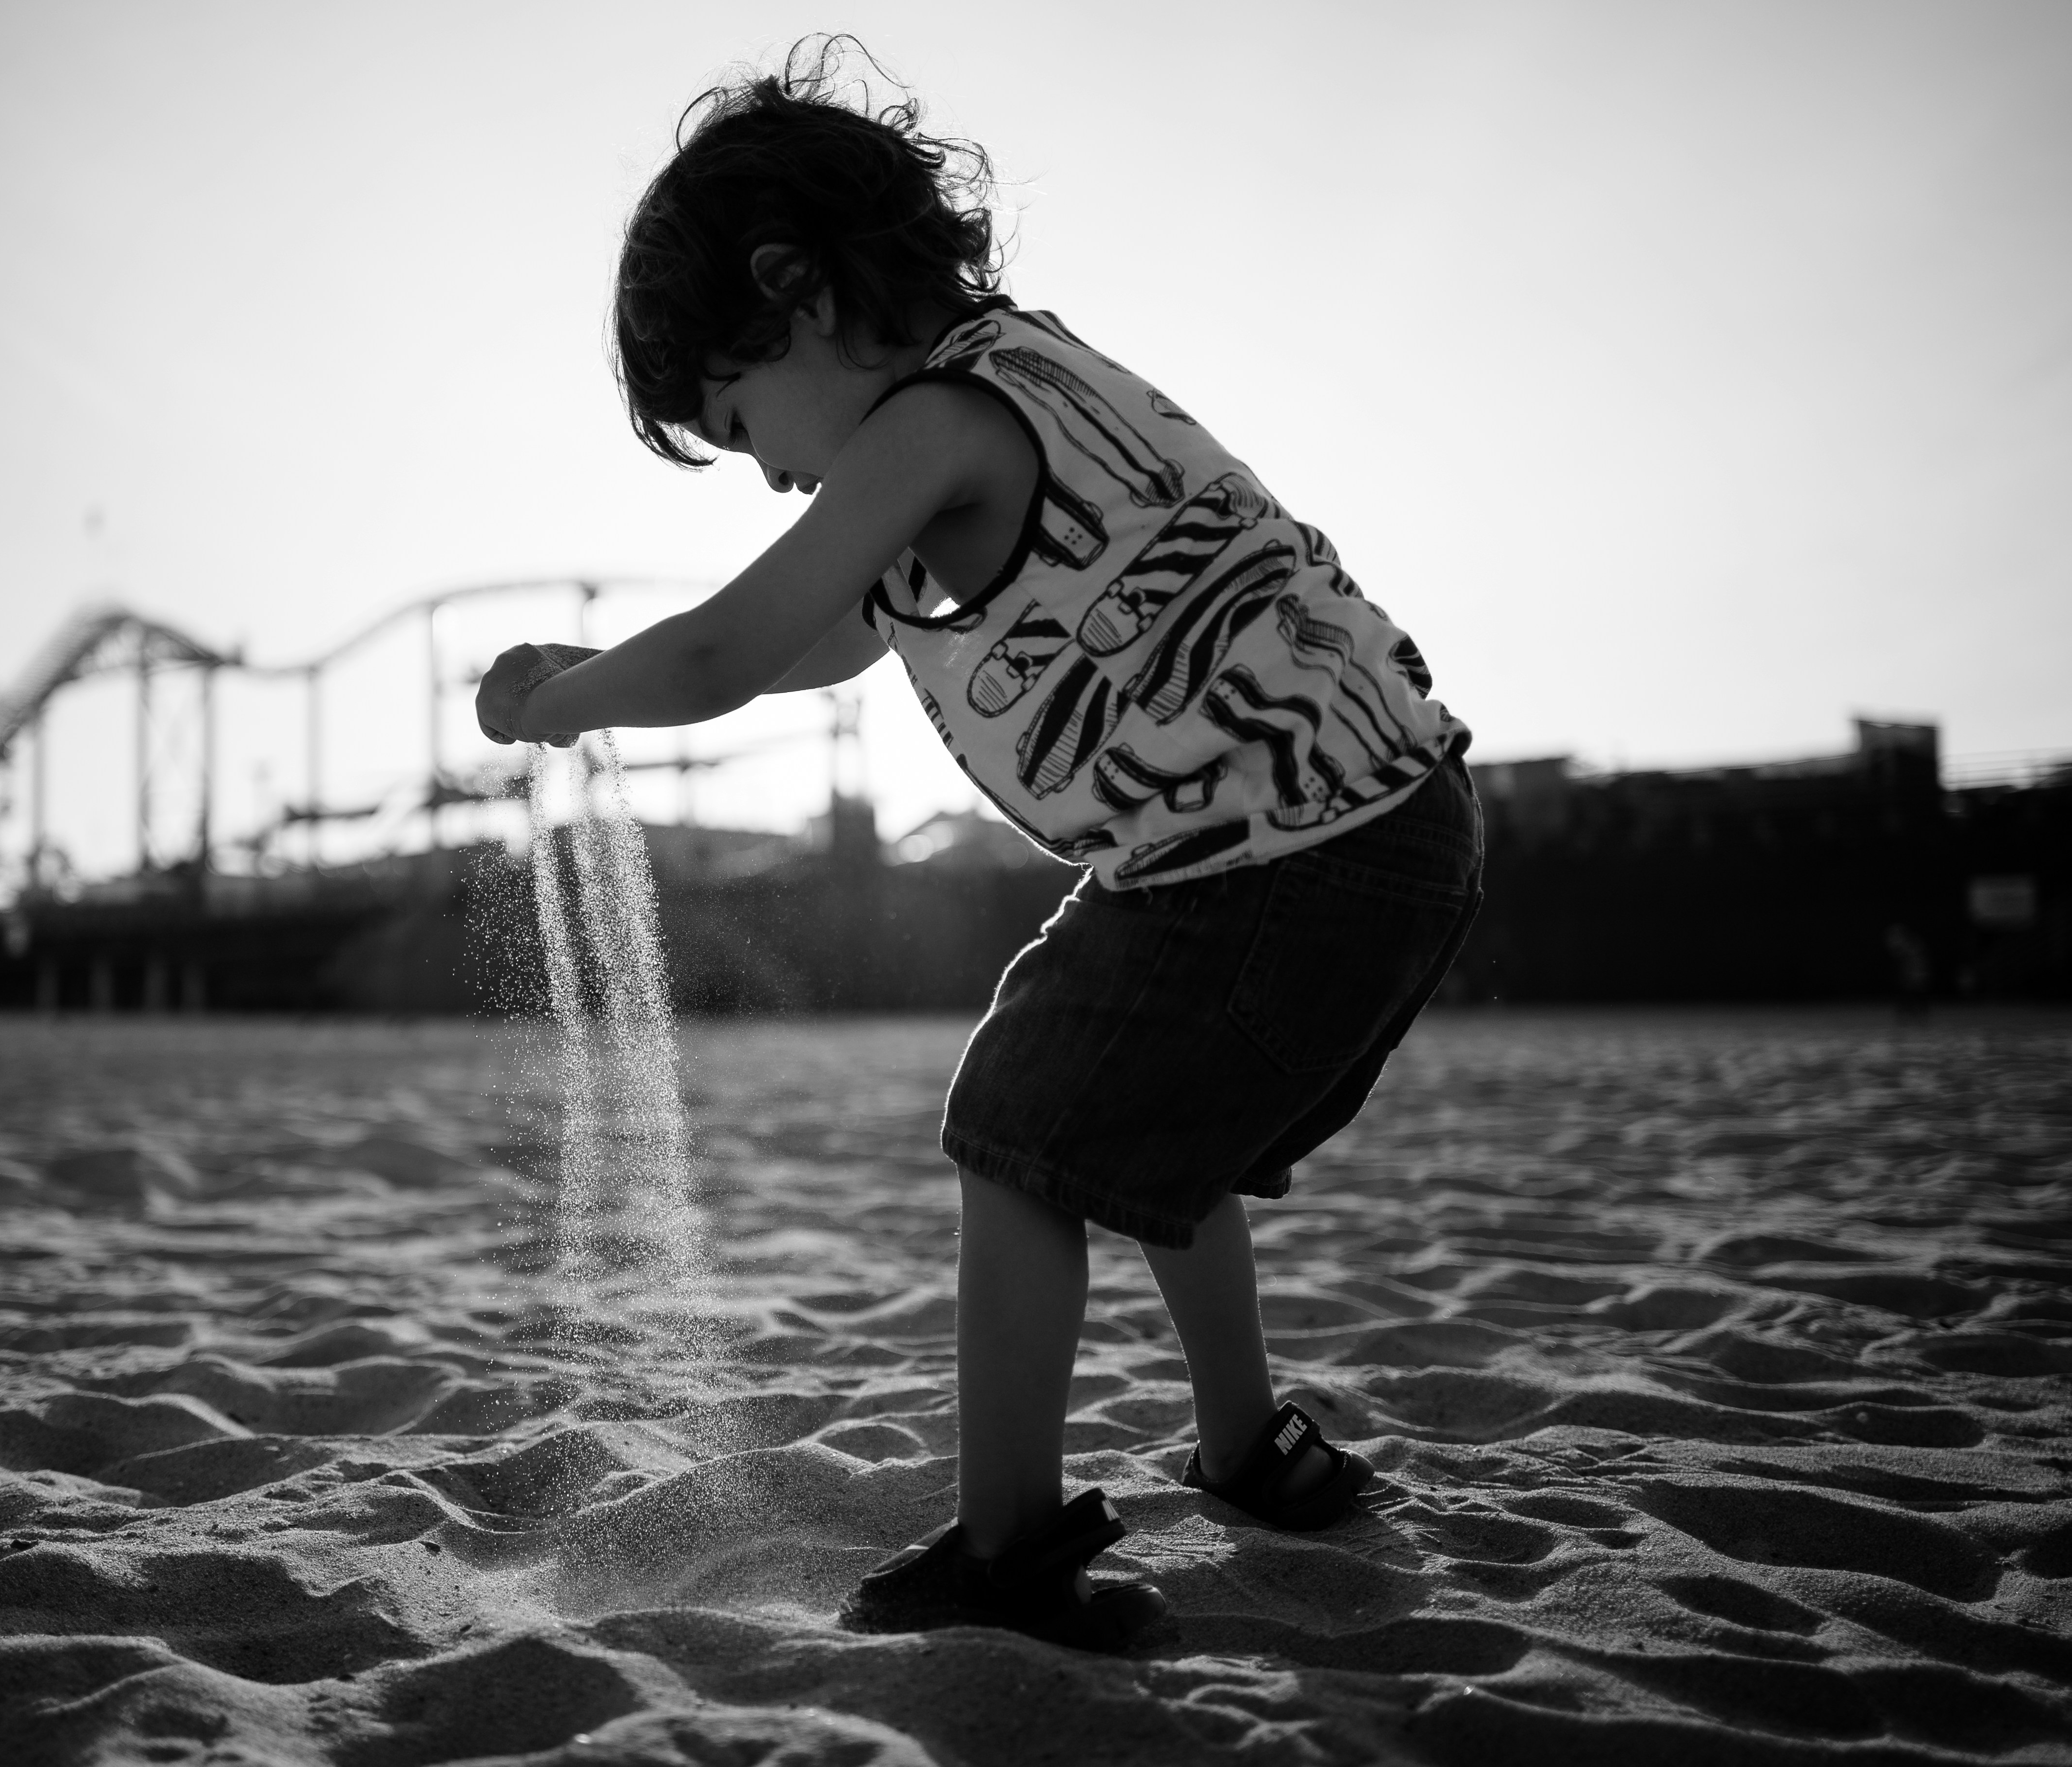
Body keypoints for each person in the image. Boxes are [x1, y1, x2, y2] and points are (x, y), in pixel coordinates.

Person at [476, 40, 1482, 1654]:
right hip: (1378, 819)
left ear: (794, 290)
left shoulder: (933, 423)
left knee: (1019, 1119)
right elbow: (826, 638)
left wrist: (565, 698)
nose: (779, 473)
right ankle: (1247, 1443)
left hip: (1291, 853)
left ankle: (1010, 1544)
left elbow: (731, 644)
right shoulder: (1029, 375)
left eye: (745, 425)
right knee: (1134, 1121)